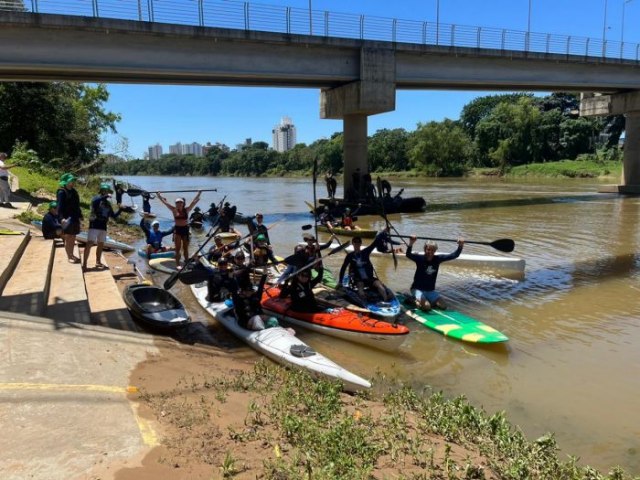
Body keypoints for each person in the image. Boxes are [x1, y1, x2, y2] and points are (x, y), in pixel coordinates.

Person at [405, 235, 464, 311]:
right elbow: (408, 254)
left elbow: (454, 255)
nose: (430, 252)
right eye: (428, 249)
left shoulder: (438, 259)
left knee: (443, 306)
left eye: (432, 250)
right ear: (425, 249)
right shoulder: (419, 258)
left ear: (435, 251)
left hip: (430, 290)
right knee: (427, 307)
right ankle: (413, 300)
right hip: (417, 289)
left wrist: (460, 245)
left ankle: (424, 301)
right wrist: (411, 242)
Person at [338, 233, 392, 302]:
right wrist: (340, 281)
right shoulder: (350, 256)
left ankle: (385, 300)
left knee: (379, 286)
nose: (357, 243)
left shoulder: (365, 252)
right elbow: (343, 268)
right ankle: (366, 302)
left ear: (361, 243)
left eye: (358, 242)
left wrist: (382, 234)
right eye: (355, 242)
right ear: (353, 243)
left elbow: (374, 243)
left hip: (369, 278)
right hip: (359, 279)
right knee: (360, 288)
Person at [82, 182, 122, 270]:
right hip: (94, 225)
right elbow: (94, 202)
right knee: (89, 243)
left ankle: (98, 261)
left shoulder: (108, 204)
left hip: (103, 226)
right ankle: (84, 264)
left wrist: (121, 210)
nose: (107, 192)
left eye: (108, 191)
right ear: (102, 191)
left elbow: (113, 216)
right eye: (106, 191)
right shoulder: (96, 198)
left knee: (101, 244)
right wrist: (105, 196)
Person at [158, 190, 202, 268]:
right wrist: (159, 195)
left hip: (185, 229)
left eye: (180, 202)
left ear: (183, 203)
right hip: (177, 230)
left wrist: (199, 193)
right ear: (176, 204)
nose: (179, 204)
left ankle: (186, 263)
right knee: (177, 249)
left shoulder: (187, 209)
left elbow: (194, 202)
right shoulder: (174, 209)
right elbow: (165, 203)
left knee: (185, 248)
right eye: (177, 203)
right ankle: (178, 264)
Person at [56, 173, 83, 264]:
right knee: (68, 237)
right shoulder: (61, 192)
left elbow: (77, 205)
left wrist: (80, 216)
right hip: (67, 218)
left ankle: (71, 254)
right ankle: (69, 256)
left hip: (75, 217)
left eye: (73, 181)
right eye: (71, 181)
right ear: (66, 182)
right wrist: (61, 218)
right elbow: (59, 207)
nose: (72, 182)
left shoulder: (74, 192)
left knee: (73, 237)